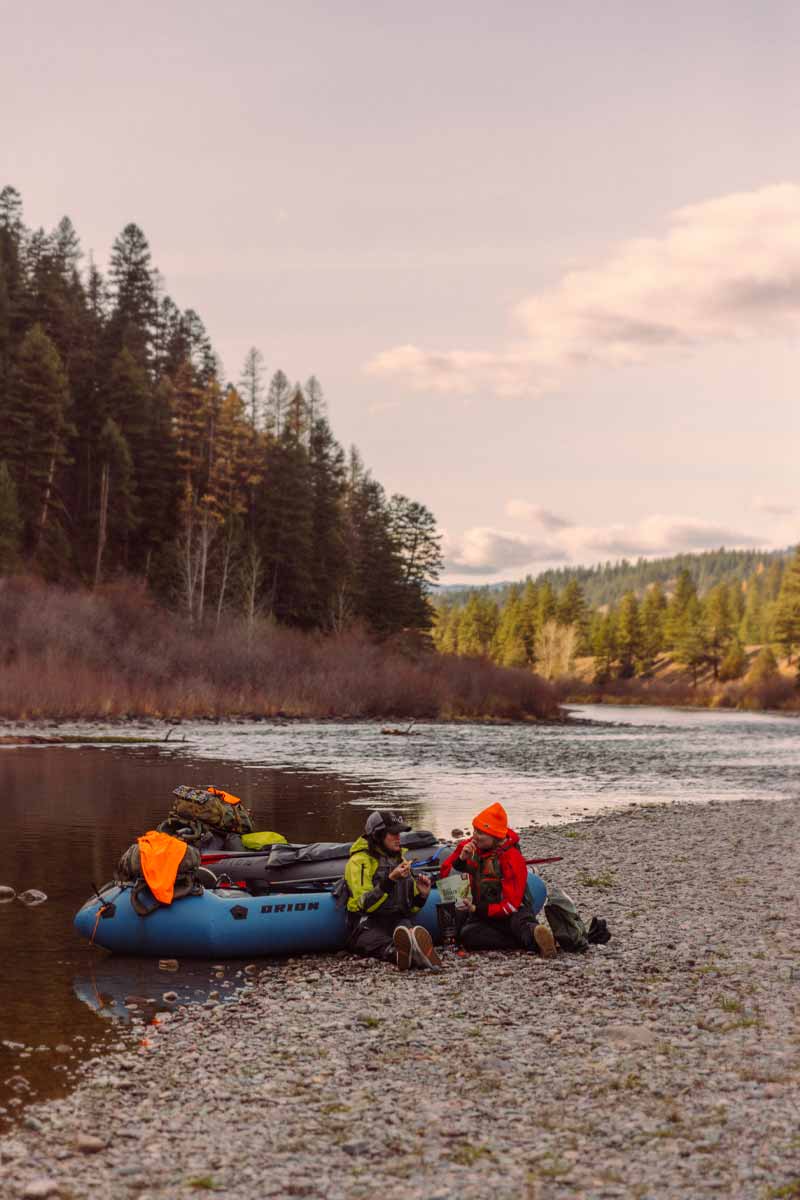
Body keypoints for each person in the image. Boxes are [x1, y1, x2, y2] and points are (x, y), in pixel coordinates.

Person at [439, 802, 556, 958]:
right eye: (475, 830)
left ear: (496, 836)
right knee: (469, 935)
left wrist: (477, 909)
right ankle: (526, 940)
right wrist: (461, 860)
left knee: (519, 923)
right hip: (482, 913)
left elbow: (511, 904)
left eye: (481, 833)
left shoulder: (512, 858)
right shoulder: (468, 847)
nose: (475, 835)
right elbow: (445, 875)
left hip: (512, 912)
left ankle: (536, 937)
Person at [344, 810, 442, 970]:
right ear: (377, 835)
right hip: (368, 922)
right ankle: (399, 953)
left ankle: (413, 949)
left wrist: (421, 896)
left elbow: (409, 909)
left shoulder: (400, 860)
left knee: (406, 926)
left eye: (399, 833)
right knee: (370, 939)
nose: (398, 838)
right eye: (393, 833)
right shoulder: (359, 862)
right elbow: (363, 905)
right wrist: (390, 880)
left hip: (395, 920)